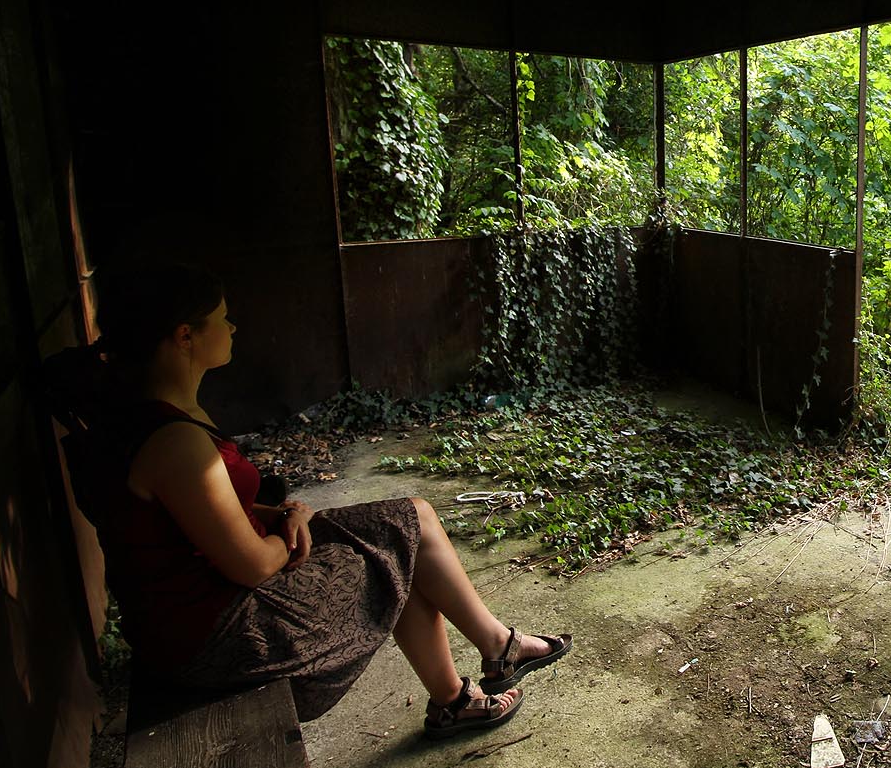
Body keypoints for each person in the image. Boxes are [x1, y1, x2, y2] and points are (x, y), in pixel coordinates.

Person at [70, 261, 571, 737]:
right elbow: (250, 566)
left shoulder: (153, 413)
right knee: (399, 544)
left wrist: (280, 514)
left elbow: (192, 515)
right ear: (185, 336)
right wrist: (291, 533)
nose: (233, 327)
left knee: (410, 520)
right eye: (223, 319)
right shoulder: (174, 441)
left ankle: (479, 670)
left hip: (199, 608)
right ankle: (474, 678)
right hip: (220, 633)